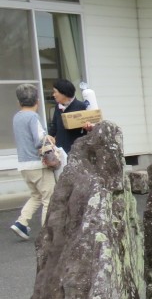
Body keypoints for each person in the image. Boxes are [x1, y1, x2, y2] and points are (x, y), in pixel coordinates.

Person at [10, 84, 55, 240]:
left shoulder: (17, 117)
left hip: (23, 165)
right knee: (49, 198)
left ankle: (21, 222)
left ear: (19, 102)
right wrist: (49, 139)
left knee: (36, 195)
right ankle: (47, 234)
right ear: (37, 100)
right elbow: (39, 140)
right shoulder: (33, 117)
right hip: (37, 164)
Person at [48, 79, 92, 154]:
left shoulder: (81, 106)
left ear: (64, 93)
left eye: (55, 92)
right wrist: (49, 137)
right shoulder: (58, 107)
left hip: (76, 151)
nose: (53, 95)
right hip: (60, 151)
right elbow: (54, 126)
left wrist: (88, 127)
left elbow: (88, 128)